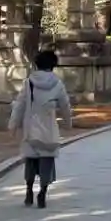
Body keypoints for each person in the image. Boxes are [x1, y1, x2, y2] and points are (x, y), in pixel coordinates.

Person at [8, 48, 73, 209]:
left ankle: (29, 190)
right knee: (47, 162)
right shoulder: (57, 84)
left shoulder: (28, 83)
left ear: (36, 65)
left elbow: (19, 105)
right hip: (49, 128)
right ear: (53, 65)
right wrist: (68, 123)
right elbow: (65, 106)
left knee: (31, 161)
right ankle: (42, 192)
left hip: (31, 128)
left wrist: (13, 125)